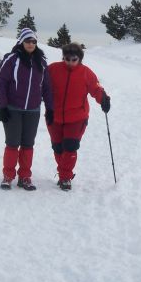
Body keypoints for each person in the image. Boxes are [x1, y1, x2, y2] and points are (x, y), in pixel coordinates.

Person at [46, 43, 110, 191]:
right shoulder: (53, 69)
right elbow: (40, 85)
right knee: (58, 148)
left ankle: (65, 177)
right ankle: (63, 171)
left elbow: (96, 89)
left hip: (77, 118)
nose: (69, 62)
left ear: (79, 59)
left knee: (70, 147)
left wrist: (104, 99)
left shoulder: (86, 73)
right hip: (54, 116)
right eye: (67, 58)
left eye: (73, 59)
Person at [0, 28, 53, 190]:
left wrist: (50, 109)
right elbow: (2, 83)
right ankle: (8, 176)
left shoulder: (41, 62)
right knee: (12, 143)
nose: (31, 44)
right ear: (21, 42)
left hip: (33, 110)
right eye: (28, 41)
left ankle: (25, 177)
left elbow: (47, 88)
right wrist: (2, 106)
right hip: (13, 108)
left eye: (34, 41)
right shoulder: (12, 59)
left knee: (28, 144)